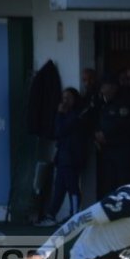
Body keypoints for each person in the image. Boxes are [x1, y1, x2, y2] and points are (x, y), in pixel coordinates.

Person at [36, 88, 86, 226]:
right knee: (59, 188)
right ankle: (51, 215)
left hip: (72, 157)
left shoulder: (77, 115)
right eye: (63, 98)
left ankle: (76, 215)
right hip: (63, 157)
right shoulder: (64, 115)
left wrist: (59, 114)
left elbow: (61, 130)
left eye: (68, 98)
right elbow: (56, 132)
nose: (65, 101)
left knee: (72, 186)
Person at [95, 75, 130, 197]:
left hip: (121, 150)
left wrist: (106, 134)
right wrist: (97, 133)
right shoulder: (101, 103)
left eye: (105, 86)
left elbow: (123, 123)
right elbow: (95, 121)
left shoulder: (123, 103)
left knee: (122, 184)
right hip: (106, 150)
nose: (103, 89)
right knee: (108, 183)